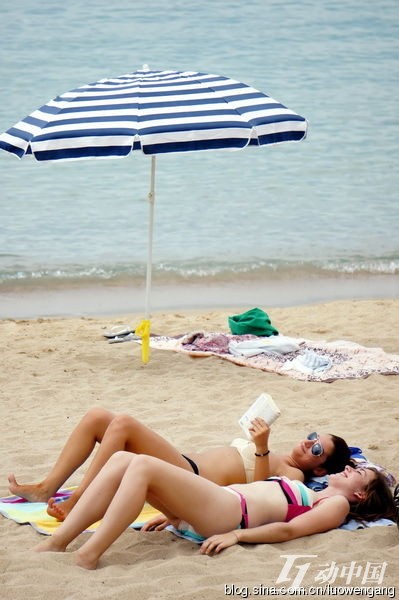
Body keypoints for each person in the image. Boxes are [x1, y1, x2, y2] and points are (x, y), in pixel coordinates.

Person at [35, 451, 396, 570]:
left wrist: (237, 535)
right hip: (215, 505)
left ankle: (89, 553)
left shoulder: (332, 505)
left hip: (229, 516)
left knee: (143, 466)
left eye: (356, 473)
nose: (348, 469)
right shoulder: (317, 490)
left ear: (361, 496)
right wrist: (175, 508)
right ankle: (60, 542)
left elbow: (289, 532)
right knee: (123, 458)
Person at [8, 407, 351, 520]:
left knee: (124, 424)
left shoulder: (292, 473)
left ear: (319, 470)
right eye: (313, 435)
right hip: (185, 462)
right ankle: (47, 487)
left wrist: (260, 447)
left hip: (191, 478)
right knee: (100, 417)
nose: (308, 441)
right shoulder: (283, 456)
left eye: (317, 449)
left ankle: (79, 500)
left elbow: (258, 490)